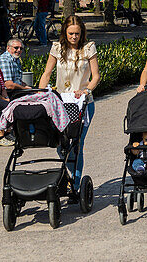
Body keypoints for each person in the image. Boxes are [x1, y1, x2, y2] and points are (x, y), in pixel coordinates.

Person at [38, 16, 99, 190]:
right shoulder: (57, 48)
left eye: (77, 34)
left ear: (82, 33)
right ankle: (70, 176)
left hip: (82, 102)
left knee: (77, 142)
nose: (74, 37)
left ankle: (77, 183)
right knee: (60, 143)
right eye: (71, 33)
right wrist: (42, 93)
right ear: (65, 32)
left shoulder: (88, 48)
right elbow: (47, 73)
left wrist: (87, 90)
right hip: (61, 102)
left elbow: (96, 76)